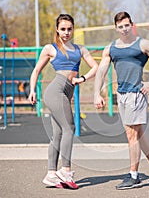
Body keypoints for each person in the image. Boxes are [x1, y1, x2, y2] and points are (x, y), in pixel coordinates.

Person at [94, 11, 149, 190]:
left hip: (136, 94)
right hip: (122, 95)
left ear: (132, 25)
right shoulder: (110, 48)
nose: (124, 29)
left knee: (132, 135)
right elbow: (101, 71)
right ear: (116, 28)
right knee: (139, 134)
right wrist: (97, 93)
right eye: (120, 26)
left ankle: (133, 176)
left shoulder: (143, 44)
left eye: (126, 25)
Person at [28, 14, 98, 189]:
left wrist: (82, 79)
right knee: (70, 128)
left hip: (67, 92)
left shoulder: (80, 49)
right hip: (55, 90)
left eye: (69, 29)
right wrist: (31, 90)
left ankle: (51, 174)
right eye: (63, 29)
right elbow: (36, 70)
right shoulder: (50, 48)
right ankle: (65, 171)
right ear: (57, 30)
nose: (66, 32)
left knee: (58, 134)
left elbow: (96, 67)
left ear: (73, 29)